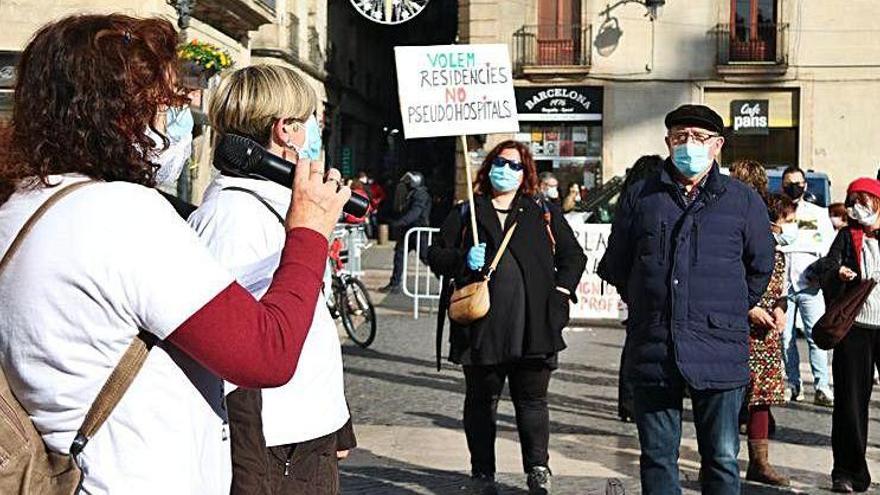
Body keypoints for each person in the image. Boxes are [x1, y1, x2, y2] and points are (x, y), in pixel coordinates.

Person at [0, 14, 350, 495]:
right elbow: (265, 354)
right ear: (122, 112)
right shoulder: (119, 213)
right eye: (164, 105)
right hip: (135, 477)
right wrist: (308, 232)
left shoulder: (21, 204)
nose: (171, 123)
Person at [187, 65, 356, 495]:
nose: (317, 133)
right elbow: (230, 357)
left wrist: (337, 422)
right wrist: (250, 475)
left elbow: (306, 321)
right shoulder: (235, 219)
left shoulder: (279, 207)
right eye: (312, 121)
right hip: (275, 448)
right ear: (287, 130)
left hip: (305, 433)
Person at [599, 105, 774, 495]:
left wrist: (728, 305)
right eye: (680, 137)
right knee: (658, 457)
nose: (688, 145)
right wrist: (648, 301)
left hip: (720, 345)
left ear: (717, 146)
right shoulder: (641, 196)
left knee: (722, 458)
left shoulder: (742, 201)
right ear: (667, 142)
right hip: (655, 344)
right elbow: (617, 261)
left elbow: (761, 264)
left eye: (698, 137)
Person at [428, 140, 586, 495]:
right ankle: (482, 471)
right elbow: (435, 254)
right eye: (501, 162)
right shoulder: (466, 210)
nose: (506, 170)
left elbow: (574, 257)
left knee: (532, 402)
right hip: (482, 327)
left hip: (534, 327)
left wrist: (560, 296)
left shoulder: (541, 210)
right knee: (482, 403)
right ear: (488, 167)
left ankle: (538, 468)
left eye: (515, 165)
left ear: (526, 172)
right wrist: (461, 259)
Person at [730, 160, 793, 486]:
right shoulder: (725, 223)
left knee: (761, 398)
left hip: (767, 325)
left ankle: (759, 463)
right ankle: (719, 461)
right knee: (727, 396)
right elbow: (724, 277)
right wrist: (748, 308)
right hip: (734, 323)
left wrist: (781, 306)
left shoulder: (766, 225)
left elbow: (781, 277)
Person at [819, 178, 880, 493]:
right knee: (850, 402)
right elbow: (825, 268)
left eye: (863, 201)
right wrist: (838, 273)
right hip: (855, 329)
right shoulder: (846, 236)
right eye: (852, 201)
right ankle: (847, 471)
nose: (857, 207)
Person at [613, 154, 665, 423]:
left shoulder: (628, 200)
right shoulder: (652, 200)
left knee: (634, 341)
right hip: (646, 281)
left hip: (632, 283)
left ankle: (628, 401)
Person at [779, 165, 836, 406]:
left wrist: (822, 272)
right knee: (785, 337)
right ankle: (793, 383)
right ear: (782, 185)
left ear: (805, 185)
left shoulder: (818, 214)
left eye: (798, 182)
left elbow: (830, 248)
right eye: (789, 182)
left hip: (810, 284)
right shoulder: (777, 212)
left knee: (816, 337)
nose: (794, 186)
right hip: (783, 286)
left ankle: (822, 386)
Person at [380, 171, 431, 293]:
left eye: (409, 182)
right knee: (399, 255)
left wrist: (400, 222)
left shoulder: (421, 195)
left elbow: (415, 213)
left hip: (418, 231)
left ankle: (446, 279)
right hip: (409, 231)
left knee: (427, 258)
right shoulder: (414, 193)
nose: (407, 184)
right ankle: (395, 283)